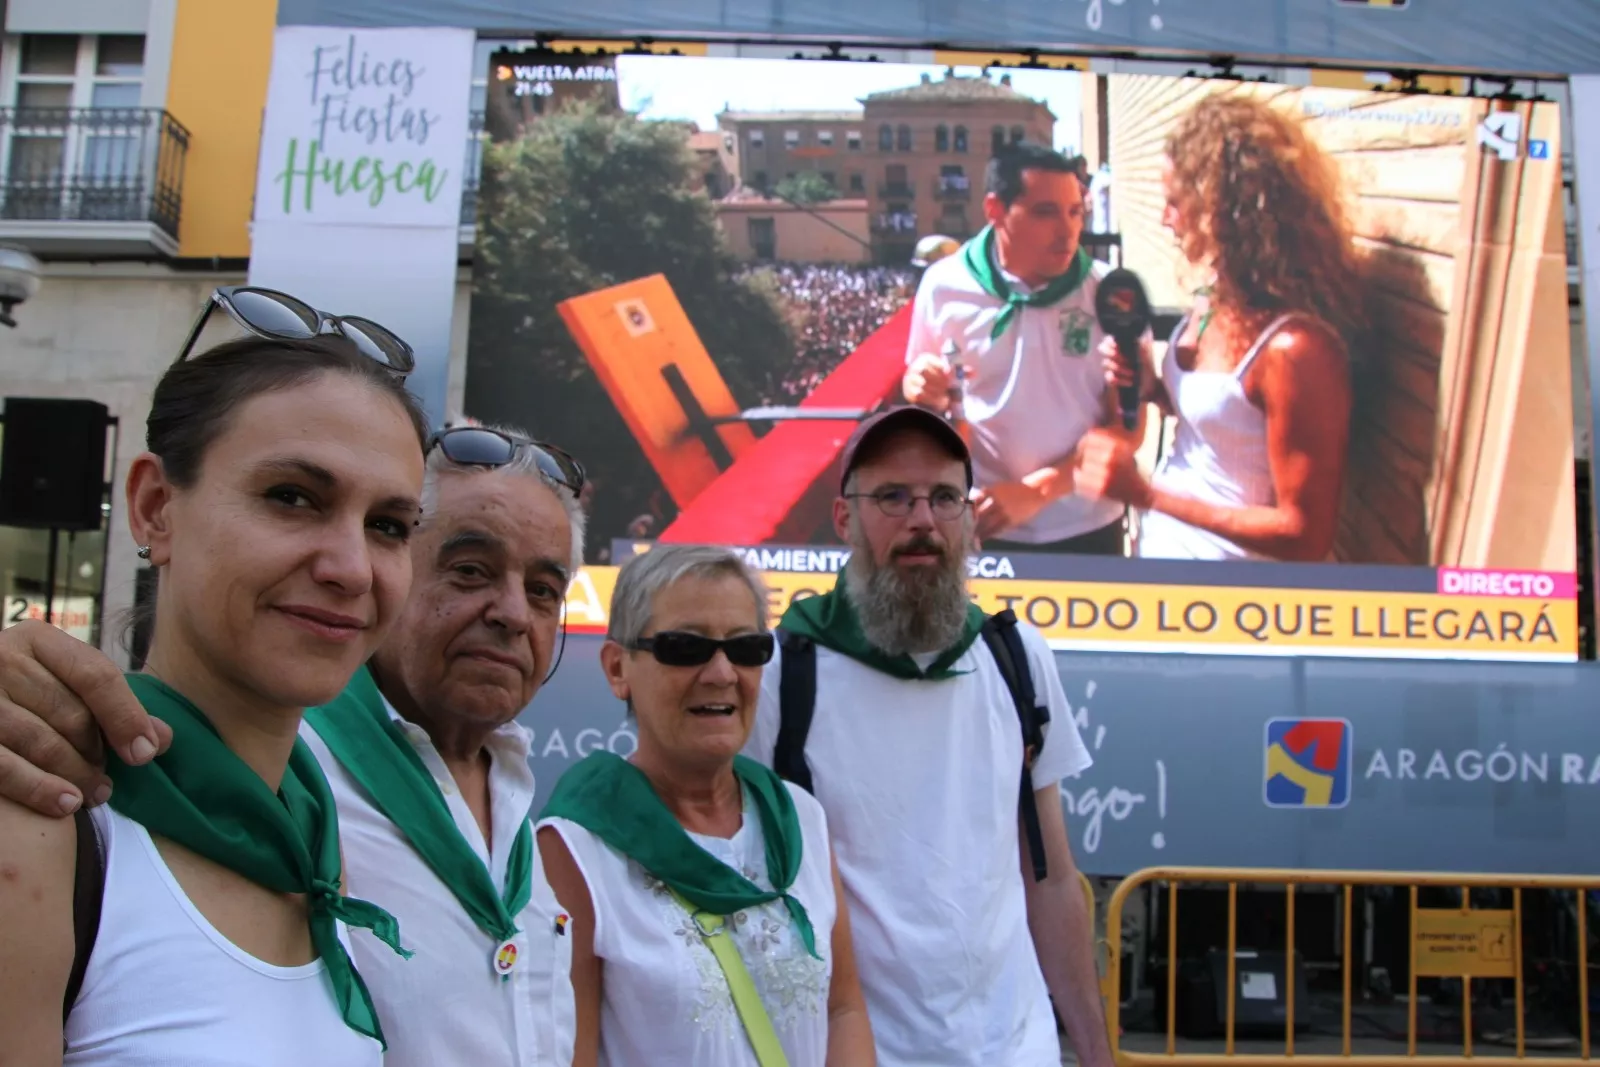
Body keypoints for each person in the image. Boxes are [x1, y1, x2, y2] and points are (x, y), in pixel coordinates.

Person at [0, 406, 591, 1063]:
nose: (513, 612)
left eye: (544, 589)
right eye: (471, 569)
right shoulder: (280, 766)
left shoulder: (513, 793)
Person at [0, 327, 430, 1063]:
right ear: (156, 507)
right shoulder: (44, 815)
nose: (353, 567)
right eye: (292, 496)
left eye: (388, 525)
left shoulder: (313, 830)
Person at [746, 405, 1113, 1067]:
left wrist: (1094, 1050)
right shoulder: (781, 672)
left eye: (945, 497)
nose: (923, 520)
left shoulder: (1018, 658)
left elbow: (1051, 878)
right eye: (893, 496)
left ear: (970, 521)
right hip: (853, 1052)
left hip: (1014, 1048)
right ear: (844, 519)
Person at [537, 545, 875, 1067]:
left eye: (745, 648)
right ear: (616, 668)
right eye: (684, 647)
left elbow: (842, 1010)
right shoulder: (576, 848)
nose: (721, 673)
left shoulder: (800, 819)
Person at [1076, 93, 1362, 562]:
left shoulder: (1297, 350)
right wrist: (1151, 385)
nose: (1164, 218)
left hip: (1236, 603)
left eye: (1174, 201)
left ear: (1219, 206)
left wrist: (1146, 495)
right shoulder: (1214, 299)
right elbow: (1224, 423)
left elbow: (1304, 535)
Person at [900, 142, 1144, 555]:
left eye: (1075, 211)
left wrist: (1039, 490)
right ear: (995, 210)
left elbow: (1130, 429)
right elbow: (925, 393)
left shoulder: (1113, 295)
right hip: (979, 522)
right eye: (1045, 212)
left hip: (1087, 526)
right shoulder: (942, 285)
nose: (1068, 231)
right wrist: (921, 386)